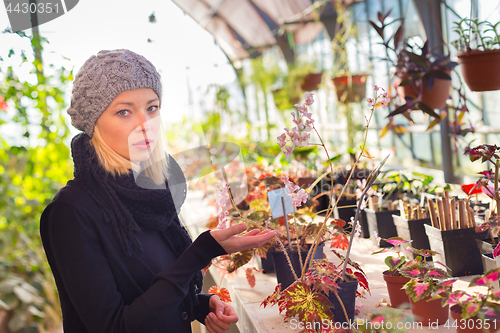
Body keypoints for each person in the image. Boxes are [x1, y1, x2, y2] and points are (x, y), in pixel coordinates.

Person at [39, 49, 278, 333]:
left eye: (152, 108)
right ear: (93, 123)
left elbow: (149, 292)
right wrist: (199, 252)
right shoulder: (71, 212)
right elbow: (115, 326)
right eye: (124, 111)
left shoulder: (153, 195)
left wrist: (200, 305)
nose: (145, 125)